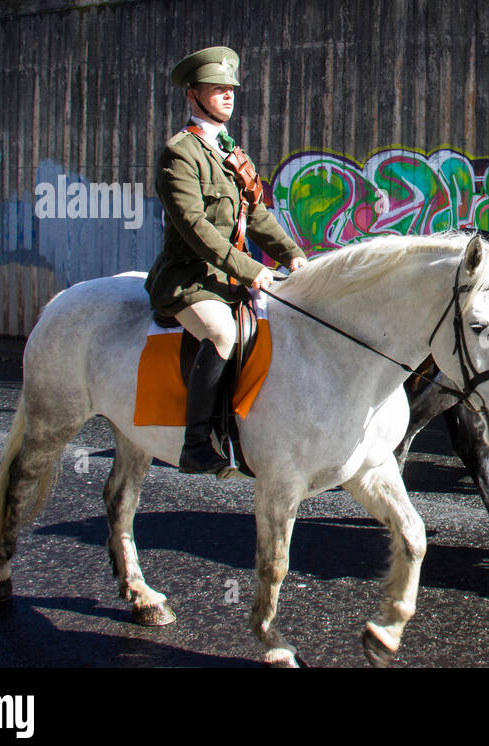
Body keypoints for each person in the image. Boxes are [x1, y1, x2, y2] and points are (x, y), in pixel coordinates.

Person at [146, 46, 308, 475]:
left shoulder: (233, 153)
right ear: (192, 95)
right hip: (189, 278)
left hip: (231, 278)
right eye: (217, 89)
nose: (227, 96)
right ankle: (196, 443)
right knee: (221, 334)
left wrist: (293, 256)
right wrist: (252, 269)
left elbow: (255, 216)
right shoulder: (180, 153)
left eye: (230, 89)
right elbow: (195, 227)